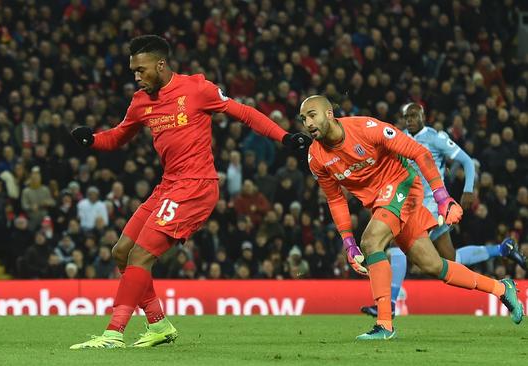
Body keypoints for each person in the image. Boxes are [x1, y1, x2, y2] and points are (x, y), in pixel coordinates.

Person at [69, 35, 310, 349]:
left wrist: (284, 137)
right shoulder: (141, 102)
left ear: (161, 64)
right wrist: (92, 139)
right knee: (121, 252)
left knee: (140, 256)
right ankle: (158, 325)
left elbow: (245, 113)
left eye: (141, 70)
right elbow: (118, 136)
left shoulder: (197, 89)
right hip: (168, 185)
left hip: (196, 186)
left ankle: (114, 333)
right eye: (133, 71)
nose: (136, 77)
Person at [301, 95, 523, 340]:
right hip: (382, 202)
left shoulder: (366, 128)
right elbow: (335, 199)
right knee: (434, 266)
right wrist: (347, 242)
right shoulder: (316, 158)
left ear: (329, 114)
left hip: (403, 185)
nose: (308, 122)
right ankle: (502, 288)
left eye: (312, 115)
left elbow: (419, 152)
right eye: (303, 118)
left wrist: (443, 198)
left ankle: (384, 324)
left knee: (371, 241)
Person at [361, 103, 526, 317]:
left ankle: (389, 304)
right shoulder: (398, 137)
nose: (410, 119)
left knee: (398, 245)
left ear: (423, 116)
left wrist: (468, 190)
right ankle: (502, 250)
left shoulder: (435, 138)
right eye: (406, 116)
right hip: (411, 203)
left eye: (414, 115)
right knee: (451, 260)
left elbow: (466, 161)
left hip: (431, 206)